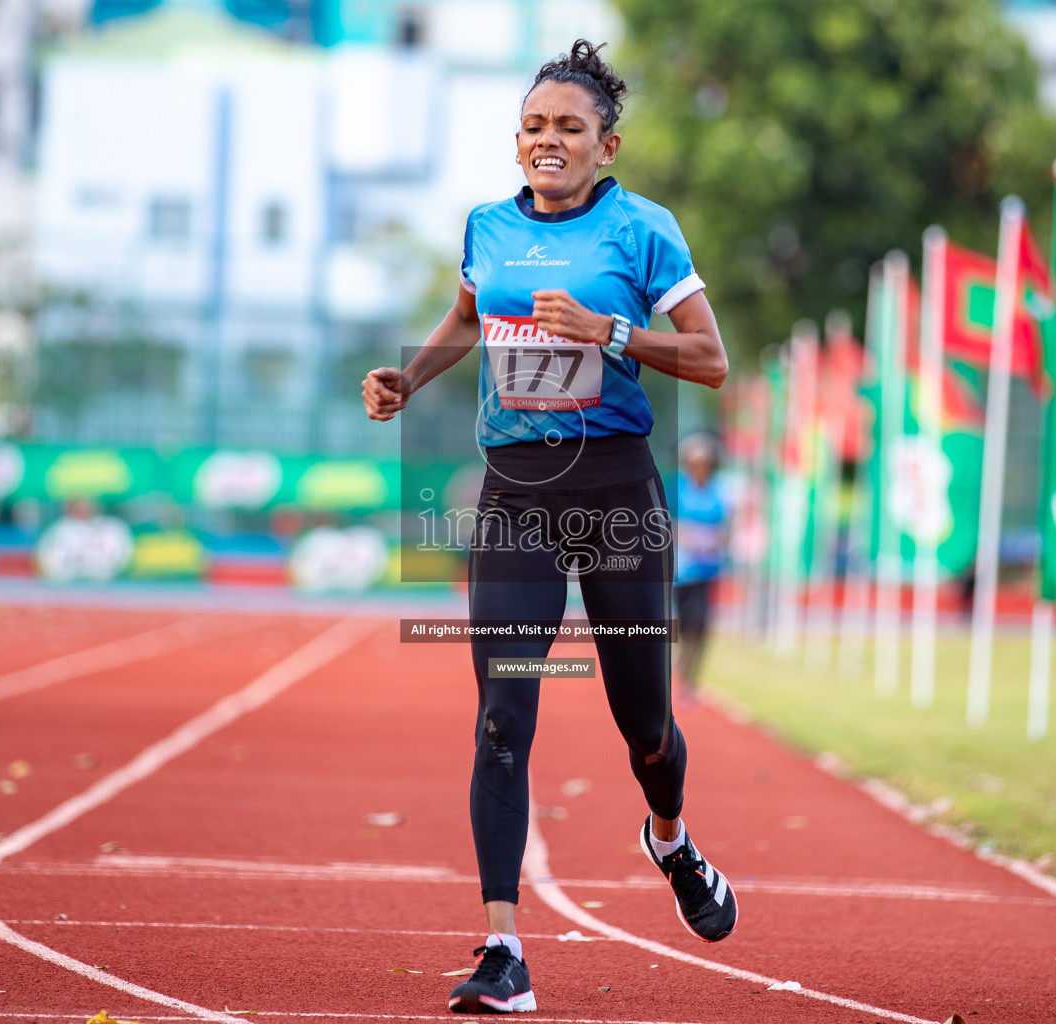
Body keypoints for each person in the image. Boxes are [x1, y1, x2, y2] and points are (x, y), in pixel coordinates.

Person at [362, 40, 736, 1015]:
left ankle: (669, 836)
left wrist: (609, 332)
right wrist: (412, 377)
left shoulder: (643, 231)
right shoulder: (487, 227)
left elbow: (710, 359)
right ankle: (503, 948)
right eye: (534, 127)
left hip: (616, 496)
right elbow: (466, 315)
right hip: (516, 499)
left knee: (645, 725)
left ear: (606, 146)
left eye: (569, 128)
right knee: (500, 717)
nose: (549, 142)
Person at [673, 433, 728, 704]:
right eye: (695, 462)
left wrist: (715, 540)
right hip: (679, 571)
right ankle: (676, 668)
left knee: (700, 625)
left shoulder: (719, 491)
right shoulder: (678, 489)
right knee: (680, 625)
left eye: (704, 463)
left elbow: (727, 529)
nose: (700, 467)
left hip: (707, 570)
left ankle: (689, 679)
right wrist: (685, 535)